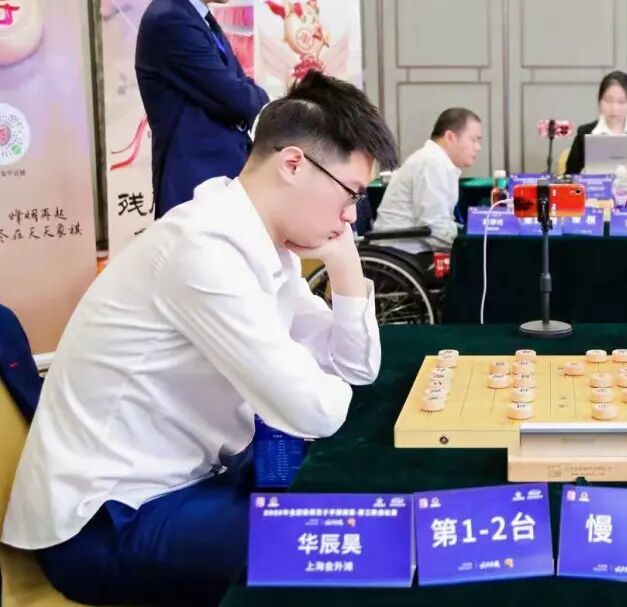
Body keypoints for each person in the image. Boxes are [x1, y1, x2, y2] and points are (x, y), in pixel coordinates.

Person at [1, 71, 398, 606]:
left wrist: (345, 263)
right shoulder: (203, 250)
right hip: (107, 522)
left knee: (354, 509)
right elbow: (314, 410)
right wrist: (306, 378)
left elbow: (354, 369)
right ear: (293, 164)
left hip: (188, 485)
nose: (351, 215)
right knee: (342, 544)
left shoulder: (261, 243)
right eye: (350, 193)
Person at [136, 0, 270, 218]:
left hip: (221, 180)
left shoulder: (197, 16)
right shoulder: (170, 18)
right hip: (195, 183)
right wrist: (258, 98)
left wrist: (253, 96)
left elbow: (240, 83)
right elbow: (236, 98)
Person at [373, 108, 483, 259]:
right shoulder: (432, 162)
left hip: (412, 248)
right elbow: (434, 227)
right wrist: (469, 245)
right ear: (450, 137)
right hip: (402, 253)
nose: (478, 147)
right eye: (473, 140)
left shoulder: (437, 161)